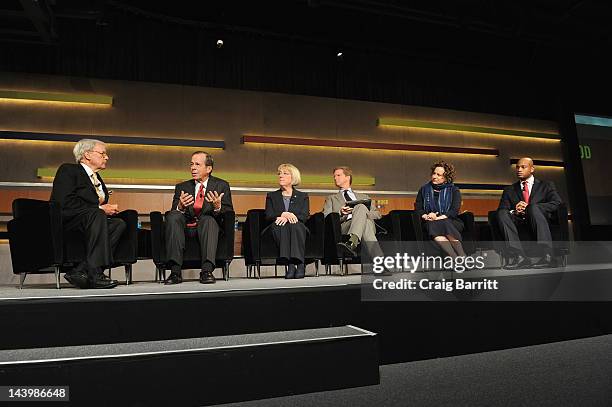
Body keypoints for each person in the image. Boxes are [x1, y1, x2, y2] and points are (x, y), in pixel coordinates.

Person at [50, 139, 125, 289]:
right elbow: (63, 201)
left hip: (91, 221)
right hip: (70, 220)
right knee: (97, 215)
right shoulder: (69, 170)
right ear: (87, 155)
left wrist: (102, 210)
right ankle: (95, 274)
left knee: (118, 224)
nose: (107, 157)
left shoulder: (97, 178)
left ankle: (80, 270)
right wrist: (98, 209)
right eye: (103, 153)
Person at [164, 151, 233, 284]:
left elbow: (228, 212)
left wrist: (218, 207)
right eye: (191, 164)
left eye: (197, 164)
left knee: (208, 219)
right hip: (186, 227)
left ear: (208, 169)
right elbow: (174, 212)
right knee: (173, 216)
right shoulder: (182, 187)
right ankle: (175, 272)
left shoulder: (221, 185)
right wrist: (180, 206)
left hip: (208, 226)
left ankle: (206, 271)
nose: (193, 168)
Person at [496, 157, 562, 269]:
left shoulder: (546, 185)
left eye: (523, 167)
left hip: (539, 218)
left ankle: (548, 256)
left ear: (532, 169)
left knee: (533, 208)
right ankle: (520, 257)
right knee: (502, 213)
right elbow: (503, 208)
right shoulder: (509, 190)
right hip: (518, 220)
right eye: (517, 167)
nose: (519, 170)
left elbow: (557, 203)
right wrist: (514, 211)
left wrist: (530, 207)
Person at [323, 166, 381, 257]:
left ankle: (352, 242)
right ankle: (380, 262)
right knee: (366, 224)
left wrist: (362, 212)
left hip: (365, 221)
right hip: (345, 226)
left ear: (348, 177)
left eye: (338, 175)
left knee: (361, 208)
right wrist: (340, 213)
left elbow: (378, 214)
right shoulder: (331, 198)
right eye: (334, 176)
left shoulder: (364, 196)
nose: (335, 178)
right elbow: (325, 216)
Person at [264, 164, 310, 279]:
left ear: (293, 177)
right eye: (279, 173)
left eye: (285, 173)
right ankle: (290, 264)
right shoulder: (272, 196)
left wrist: (290, 215)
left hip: (297, 226)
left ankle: (299, 264)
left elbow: (304, 216)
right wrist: (282, 214)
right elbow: (268, 215)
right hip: (277, 226)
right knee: (282, 226)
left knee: (295, 225)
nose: (281, 176)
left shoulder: (302, 196)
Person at [415, 161, 466, 258]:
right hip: (430, 221)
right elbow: (418, 208)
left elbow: (454, 211)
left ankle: (460, 255)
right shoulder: (424, 189)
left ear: (446, 177)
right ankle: (457, 257)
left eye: (439, 175)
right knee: (434, 225)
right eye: (434, 173)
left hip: (451, 220)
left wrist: (438, 218)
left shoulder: (454, 190)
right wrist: (425, 215)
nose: (434, 176)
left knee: (443, 223)